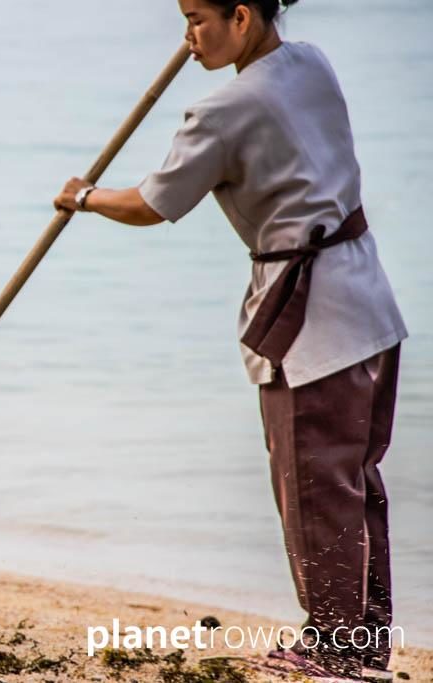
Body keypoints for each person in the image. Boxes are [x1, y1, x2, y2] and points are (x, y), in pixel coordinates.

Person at [54, 1, 407, 680]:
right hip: (370, 303)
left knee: (315, 488)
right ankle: (363, 643)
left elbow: (153, 205)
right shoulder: (312, 63)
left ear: (241, 17)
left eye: (196, 18)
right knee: (358, 483)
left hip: (315, 326)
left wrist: (85, 196)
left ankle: (335, 650)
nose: (187, 36)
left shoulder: (223, 109)